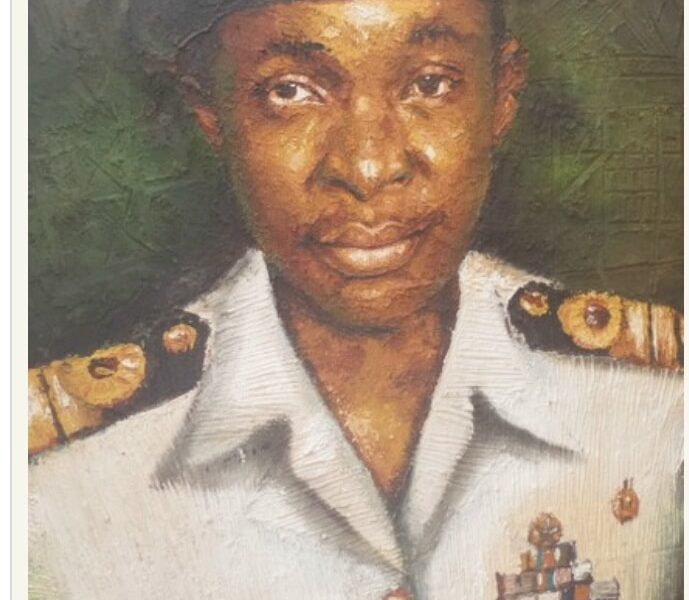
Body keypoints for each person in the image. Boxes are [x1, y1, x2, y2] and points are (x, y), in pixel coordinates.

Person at [28, 0, 683, 598]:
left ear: (502, 94)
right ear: (211, 113)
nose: (367, 168)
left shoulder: (656, 406)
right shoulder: (55, 483)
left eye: (430, 84)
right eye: (290, 91)